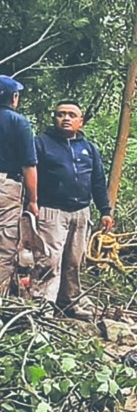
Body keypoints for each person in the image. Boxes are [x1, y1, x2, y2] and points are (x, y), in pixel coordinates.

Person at [33, 100, 112, 317]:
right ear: (54, 118)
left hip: (81, 212)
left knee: (74, 260)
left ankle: (69, 302)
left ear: (81, 121)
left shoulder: (88, 148)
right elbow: (29, 175)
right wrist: (30, 204)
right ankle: (42, 306)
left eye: (71, 115)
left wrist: (105, 211)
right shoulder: (41, 143)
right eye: (60, 114)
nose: (66, 118)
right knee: (50, 259)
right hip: (51, 211)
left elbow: (97, 180)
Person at [0, 75, 38, 295]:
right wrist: (33, 200)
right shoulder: (18, 122)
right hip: (6, 186)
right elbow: (29, 165)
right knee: (5, 243)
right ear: (14, 98)